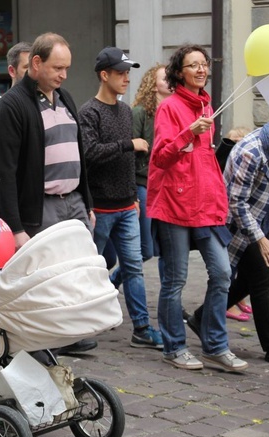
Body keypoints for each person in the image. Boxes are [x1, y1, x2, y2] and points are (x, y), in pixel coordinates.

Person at [0, 33, 96, 354]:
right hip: (41, 206)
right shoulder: (13, 105)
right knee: (44, 277)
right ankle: (41, 343)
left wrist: (86, 202)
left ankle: (68, 334)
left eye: (66, 68)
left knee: (75, 272)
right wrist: (17, 227)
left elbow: (79, 153)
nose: (64, 75)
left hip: (73, 201)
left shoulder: (64, 98)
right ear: (36, 63)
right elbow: (3, 171)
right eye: (57, 68)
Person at [147, 44, 247, 372]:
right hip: (175, 205)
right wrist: (188, 133)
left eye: (204, 64)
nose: (201, 70)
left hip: (205, 206)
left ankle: (215, 346)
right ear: (180, 73)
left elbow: (203, 161)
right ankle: (174, 347)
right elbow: (160, 156)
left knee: (222, 274)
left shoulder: (206, 106)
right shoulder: (170, 108)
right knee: (175, 280)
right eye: (193, 65)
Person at [189, 125, 269, 367]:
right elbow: (236, 202)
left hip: (260, 219)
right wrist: (260, 239)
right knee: (261, 280)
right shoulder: (251, 151)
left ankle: (202, 317)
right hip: (238, 225)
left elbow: (267, 179)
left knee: (247, 281)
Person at [78, 47, 163, 350]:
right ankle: (78, 327)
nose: (127, 78)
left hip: (127, 206)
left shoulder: (126, 111)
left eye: (128, 72)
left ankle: (141, 327)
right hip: (99, 208)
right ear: (104, 75)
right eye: (121, 73)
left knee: (135, 268)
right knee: (88, 270)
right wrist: (128, 144)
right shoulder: (89, 112)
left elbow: (127, 163)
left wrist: (133, 196)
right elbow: (89, 154)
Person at [110, 63, 171, 287]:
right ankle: (112, 281)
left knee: (167, 250)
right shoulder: (139, 113)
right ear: (152, 85)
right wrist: (133, 193)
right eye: (165, 78)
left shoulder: (174, 111)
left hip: (168, 188)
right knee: (145, 250)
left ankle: (170, 300)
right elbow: (130, 153)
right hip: (144, 185)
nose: (170, 82)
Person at [218, 126, 254, 322]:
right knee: (228, 263)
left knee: (242, 264)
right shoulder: (228, 158)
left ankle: (237, 297)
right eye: (235, 143)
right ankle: (228, 301)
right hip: (228, 216)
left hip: (242, 216)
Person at [0, 41, 31, 151]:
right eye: (27, 67)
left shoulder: (45, 103)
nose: (32, 73)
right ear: (12, 71)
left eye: (35, 67)